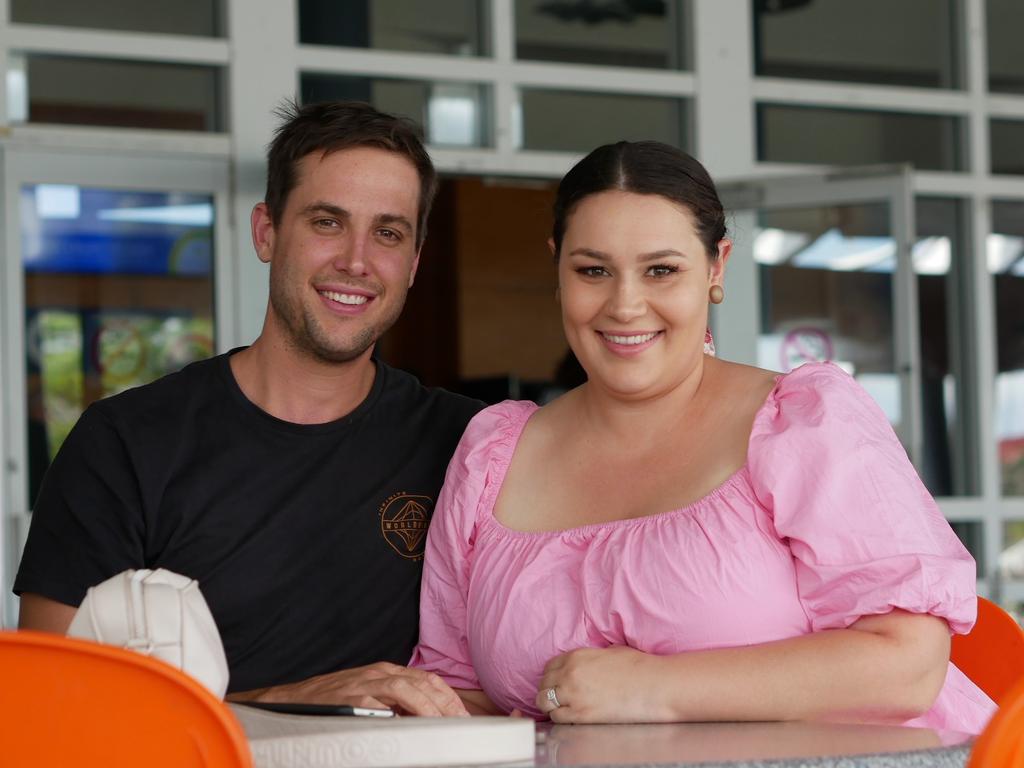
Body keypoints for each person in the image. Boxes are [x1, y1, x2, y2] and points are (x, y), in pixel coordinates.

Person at [410, 140, 997, 732]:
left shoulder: (803, 421)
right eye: (593, 270)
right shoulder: (492, 454)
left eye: (661, 270)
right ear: (556, 266)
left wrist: (654, 688)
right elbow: (462, 695)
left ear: (717, 267)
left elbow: (907, 667)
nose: (625, 304)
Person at [15, 101, 481, 715]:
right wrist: (292, 702)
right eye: (326, 222)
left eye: (388, 233)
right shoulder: (126, 442)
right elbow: (47, 702)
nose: (357, 260)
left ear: (414, 262)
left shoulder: (468, 445)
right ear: (266, 232)